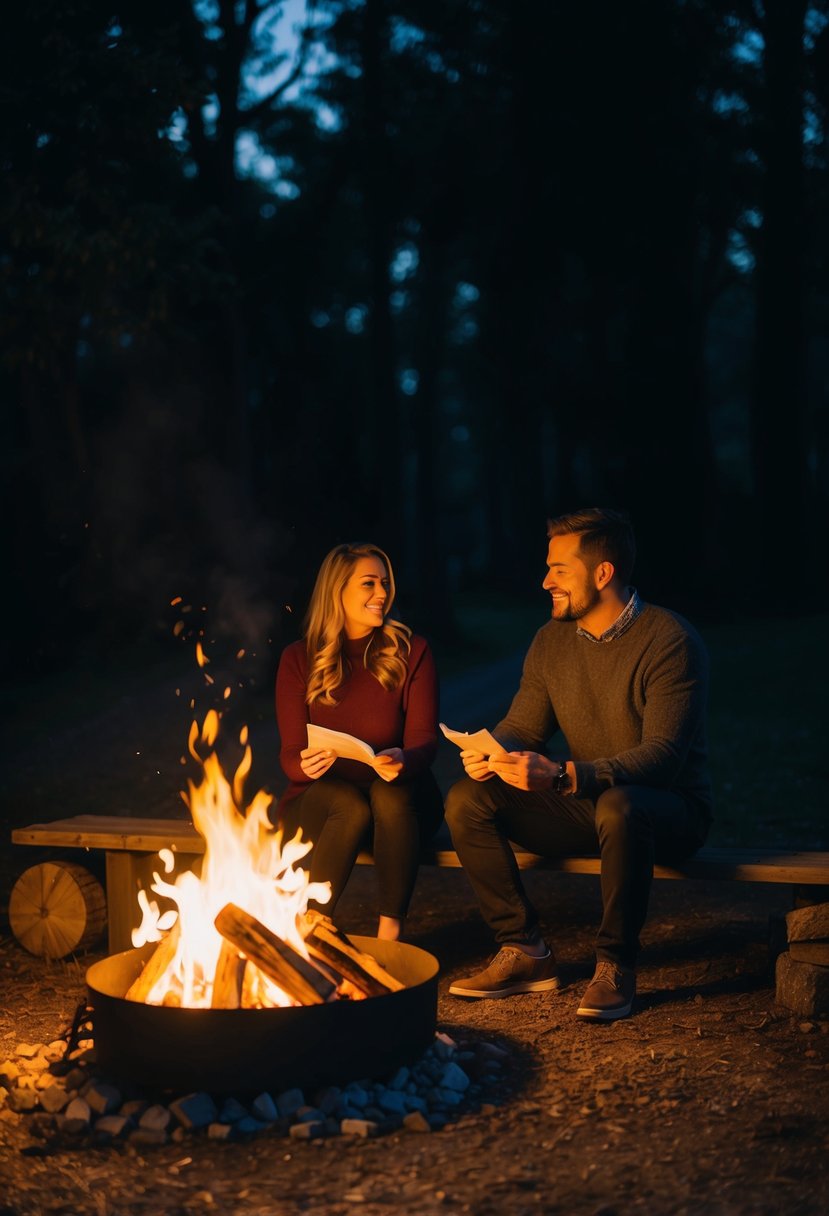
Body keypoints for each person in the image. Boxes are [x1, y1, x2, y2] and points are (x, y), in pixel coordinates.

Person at [444, 507, 713, 1020]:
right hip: (588, 805)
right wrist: (491, 751)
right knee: (468, 799)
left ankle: (615, 964)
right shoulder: (551, 641)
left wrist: (566, 775)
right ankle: (524, 950)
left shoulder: (670, 641)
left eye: (559, 569)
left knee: (621, 805)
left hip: (668, 813)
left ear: (603, 573)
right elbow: (524, 727)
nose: (546, 580)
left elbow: (663, 757)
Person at [275, 541, 444, 941]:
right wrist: (304, 765)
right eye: (368, 584)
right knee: (348, 805)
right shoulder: (299, 659)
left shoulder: (411, 651)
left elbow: (424, 741)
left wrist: (405, 758)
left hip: (402, 807)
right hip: (327, 804)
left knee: (390, 795)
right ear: (337, 591)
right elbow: (289, 755)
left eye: (384, 583)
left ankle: (390, 935)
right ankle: (311, 931)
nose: (382, 594)